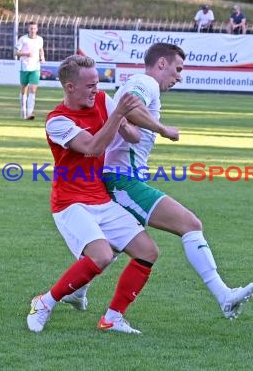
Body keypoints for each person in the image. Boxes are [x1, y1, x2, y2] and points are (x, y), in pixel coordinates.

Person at [62, 43, 253, 320]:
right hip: (122, 180)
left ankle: (76, 290)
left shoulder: (147, 85)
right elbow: (127, 105)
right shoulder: (146, 82)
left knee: (115, 246)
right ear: (161, 64)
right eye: (177, 69)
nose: (179, 77)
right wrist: (162, 128)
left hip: (122, 178)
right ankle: (224, 295)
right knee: (190, 224)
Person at [27, 55, 160, 335]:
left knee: (147, 252)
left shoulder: (101, 100)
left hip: (99, 197)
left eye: (97, 84)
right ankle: (45, 302)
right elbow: (92, 147)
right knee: (101, 255)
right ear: (69, 87)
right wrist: (117, 116)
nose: (95, 91)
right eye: (89, 86)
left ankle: (112, 317)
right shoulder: (57, 121)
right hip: (69, 202)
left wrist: (130, 121)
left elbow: (133, 136)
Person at [14, 22, 44, 120]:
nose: (32, 30)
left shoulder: (40, 39)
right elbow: (16, 52)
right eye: (31, 28)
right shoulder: (23, 39)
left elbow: (41, 49)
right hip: (25, 67)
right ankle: (23, 110)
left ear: (37, 29)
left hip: (35, 67)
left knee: (33, 89)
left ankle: (30, 112)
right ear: (28, 29)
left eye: (34, 28)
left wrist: (42, 57)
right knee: (24, 89)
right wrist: (26, 54)